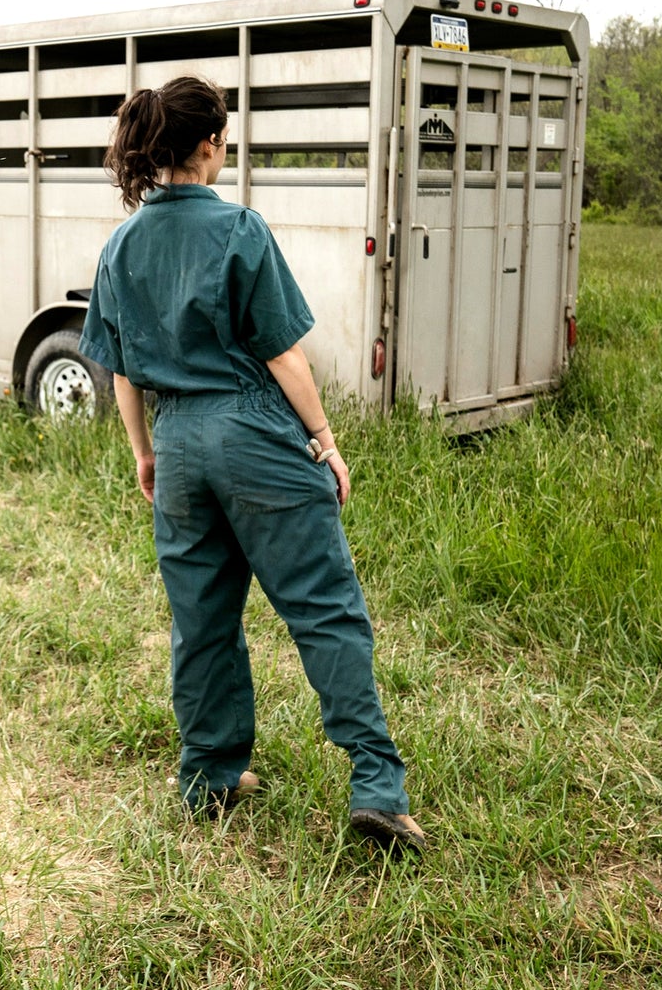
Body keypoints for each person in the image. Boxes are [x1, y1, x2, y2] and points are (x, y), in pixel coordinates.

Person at [77, 75, 426, 853]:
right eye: (224, 136)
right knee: (322, 605)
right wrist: (326, 440)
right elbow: (282, 353)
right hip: (253, 431)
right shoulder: (239, 228)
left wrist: (145, 452)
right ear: (208, 144)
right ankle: (376, 784)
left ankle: (210, 774)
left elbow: (123, 370)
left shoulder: (121, 245)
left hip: (177, 446)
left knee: (200, 619)